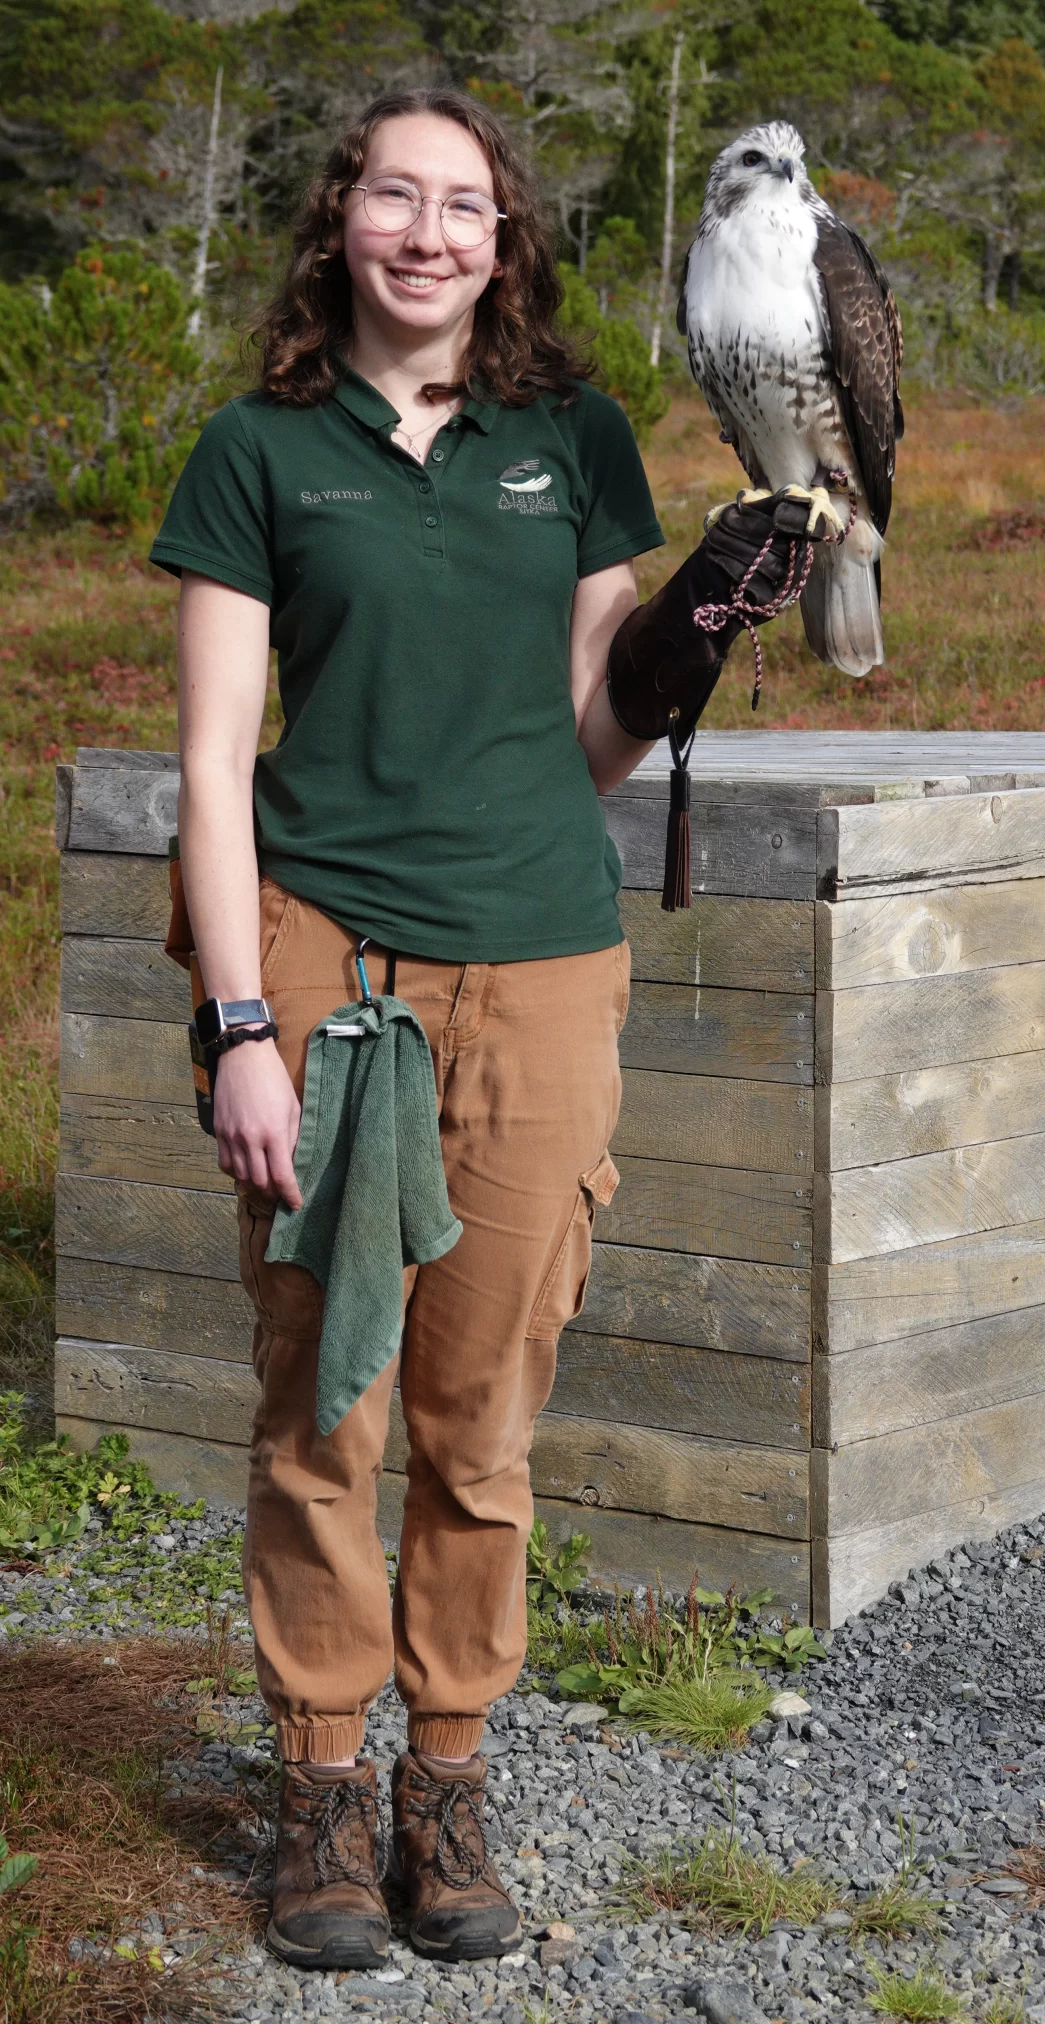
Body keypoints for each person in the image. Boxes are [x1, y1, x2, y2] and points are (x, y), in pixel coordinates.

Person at [151, 83, 818, 1976]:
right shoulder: (259, 449)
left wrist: (686, 627)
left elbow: (591, 736)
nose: (428, 233)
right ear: (339, 220)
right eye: (392, 197)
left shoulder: (572, 439)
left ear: (501, 236)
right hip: (328, 962)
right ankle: (317, 1794)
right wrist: (239, 1023)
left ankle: (445, 1784)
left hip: (541, 958)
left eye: (463, 205)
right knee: (319, 1404)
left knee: (483, 1410)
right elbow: (211, 766)